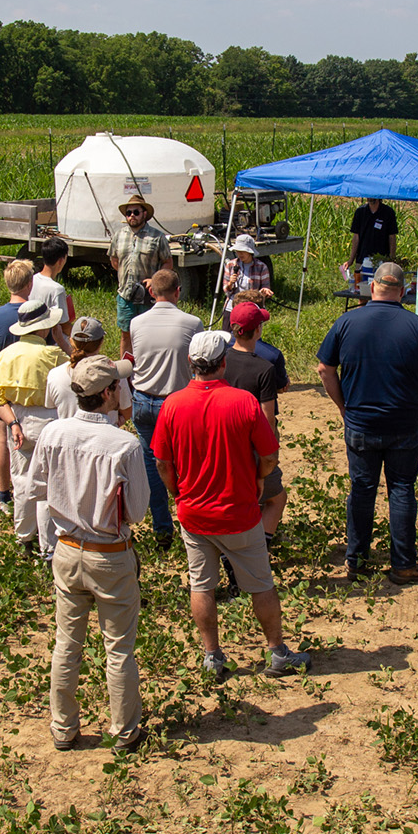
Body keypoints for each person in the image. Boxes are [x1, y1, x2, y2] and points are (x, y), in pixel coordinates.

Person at [153, 331, 311, 680]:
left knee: (201, 584)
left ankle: (212, 656)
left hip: (194, 514)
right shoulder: (243, 402)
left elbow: (162, 462)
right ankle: (277, 652)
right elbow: (269, 455)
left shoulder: (172, 405)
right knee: (261, 584)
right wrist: (258, 478)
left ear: (190, 364)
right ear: (223, 363)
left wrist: (177, 492)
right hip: (239, 512)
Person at [29, 355, 149, 753]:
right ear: (109, 393)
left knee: (67, 641)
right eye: (118, 385)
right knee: (118, 648)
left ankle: (63, 728)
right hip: (110, 553)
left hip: (65, 549)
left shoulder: (53, 433)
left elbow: (38, 488)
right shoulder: (124, 444)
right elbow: (138, 509)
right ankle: (125, 731)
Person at [315, 262, 418, 584]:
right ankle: (403, 564)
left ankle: (357, 560)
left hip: (361, 422)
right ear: (403, 292)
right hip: (404, 423)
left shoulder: (346, 322)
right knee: (402, 490)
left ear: (371, 288)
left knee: (362, 490)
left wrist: (343, 407)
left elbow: (324, 369)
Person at [0, 299, 69, 560]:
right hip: (49, 420)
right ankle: (48, 548)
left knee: (21, 480)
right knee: (47, 485)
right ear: (44, 328)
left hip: (18, 418)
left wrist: (12, 423)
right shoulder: (54, 355)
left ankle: (24, 537)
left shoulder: (5, 355)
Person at [130, 268, 203, 547]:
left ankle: (162, 530)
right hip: (176, 403)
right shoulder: (192, 322)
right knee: (186, 465)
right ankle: (191, 526)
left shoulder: (136, 322)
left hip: (143, 400)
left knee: (153, 466)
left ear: (151, 292)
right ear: (178, 291)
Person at [224, 302, 289, 542]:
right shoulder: (264, 367)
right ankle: (260, 547)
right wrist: (267, 457)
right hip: (252, 445)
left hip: (226, 440)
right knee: (275, 499)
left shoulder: (221, 360)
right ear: (258, 330)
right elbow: (266, 418)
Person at [0, 260, 37, 517]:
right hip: (31, 383)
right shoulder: (37, 312)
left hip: (5, 383)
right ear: (29, 283)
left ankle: (5, 495)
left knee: (3, 438)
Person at [109, 194, 173, 355]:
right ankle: (126, 371)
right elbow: (114, 260)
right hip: (125, 295)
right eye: (128, 213)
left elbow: (168, 263)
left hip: (147, 296)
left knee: (148, 334)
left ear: (144, 214)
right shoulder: (119, 235)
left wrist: (154, 280)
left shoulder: (157, 237)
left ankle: (147, 363)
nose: (132, 216)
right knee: (126, 334)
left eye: (136, 212)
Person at [48, 317, 133, 426]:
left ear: (71, 340)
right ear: (101, 342)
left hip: (69, 437)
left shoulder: (54, 375)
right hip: (106, 436)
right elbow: (127, 411)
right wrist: (116, 422)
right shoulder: (114, 372)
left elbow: (52, 410)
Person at [30, 236, 75, 341]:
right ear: (61, 261)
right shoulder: (57, 289)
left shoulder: (31, 280)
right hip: (50, 339)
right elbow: (64, 325)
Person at [221, 235, 274, 314]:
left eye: (243, 251)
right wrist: (230, 283)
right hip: (232, 308)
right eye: (238, 251)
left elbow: (265, 287)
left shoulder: (261, 267)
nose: (240, 253)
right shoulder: (230, 265)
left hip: (253, 308)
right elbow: (226, 290)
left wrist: (265, 291)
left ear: (250, 251)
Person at [347, 197, 398, 271]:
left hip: (382, 261)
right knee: (359, 281)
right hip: (362, 260)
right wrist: (351, 260)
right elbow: (356, 237)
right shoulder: (360, 212)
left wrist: (392, 259)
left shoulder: (388, 212)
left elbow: (392, 237)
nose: (370, 198)